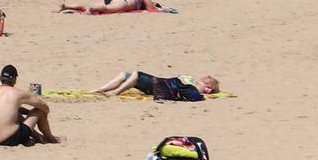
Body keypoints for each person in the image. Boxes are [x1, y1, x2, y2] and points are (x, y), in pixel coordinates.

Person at [0, 64, 59, 144]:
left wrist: (27, 112)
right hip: (10, 139)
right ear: (14, 80)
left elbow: (7, 111)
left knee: (16, 115)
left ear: (0, 77)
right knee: (39, 112)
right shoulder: (17, 93)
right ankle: (51, 139)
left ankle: (39, 137)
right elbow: (44, 106)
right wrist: (40, 114)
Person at [88, 68, 220, 97]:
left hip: (159, 86)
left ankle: (115, 92)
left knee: (136, 74)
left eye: (209, 80)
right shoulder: (191, 84)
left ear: (208, 89)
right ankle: (100, 89)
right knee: (125, 74)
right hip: (161, 83)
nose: (206, 77)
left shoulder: (194, 91)